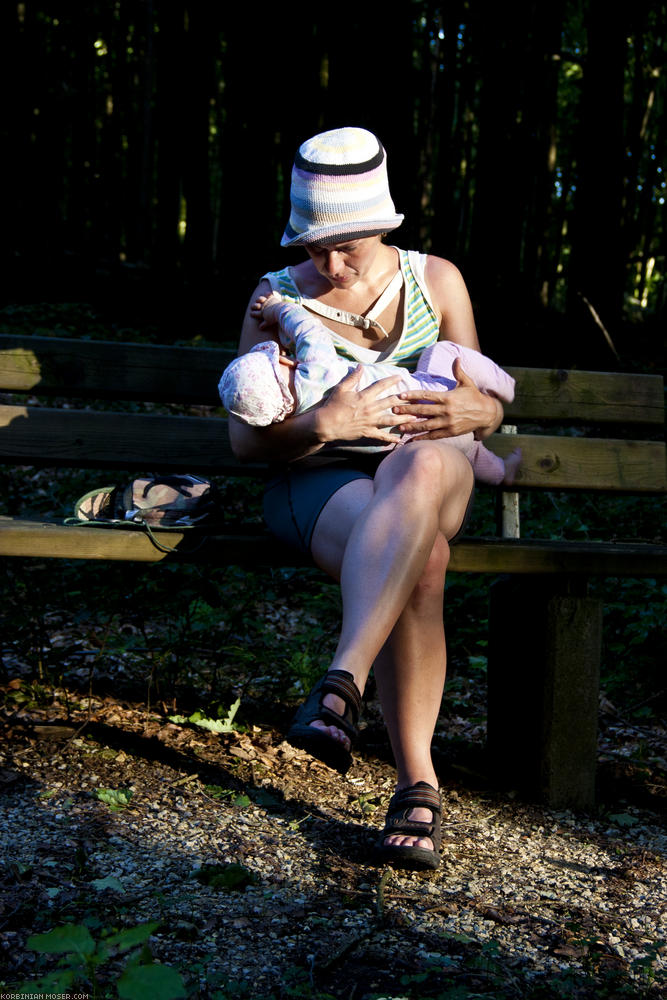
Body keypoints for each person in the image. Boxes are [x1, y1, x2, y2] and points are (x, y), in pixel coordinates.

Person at [228, 126, 505, 870]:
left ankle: (340, 683)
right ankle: (417, 779)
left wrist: (484, 415)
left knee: (416, 474)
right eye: (314, 243)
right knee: (421, 560)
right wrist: (324, 422)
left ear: (383, 223)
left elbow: (482, 391)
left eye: (346, 242)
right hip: (319, 482)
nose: (329, 260)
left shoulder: (435, 281)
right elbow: (246, 441)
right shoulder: (276, 296)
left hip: (430, 469)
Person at [219, 291, 521, 486]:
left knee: (470, 452)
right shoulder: (316, 370)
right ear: (284, 363)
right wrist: (277, 308)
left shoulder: (296, 423)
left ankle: (501, 473)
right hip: (437, 399)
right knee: (442, 353)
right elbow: (306, 328)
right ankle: (505, 387)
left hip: (419, 447)